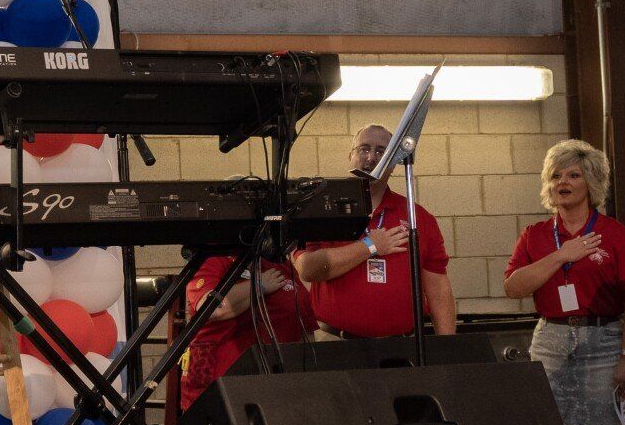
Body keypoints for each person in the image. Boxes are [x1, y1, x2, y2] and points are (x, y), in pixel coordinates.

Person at [503, 139, 625, 425]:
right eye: (555, 175)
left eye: (573, 174)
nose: (562, 182)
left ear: (592, 184)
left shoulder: (616, 235)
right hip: (551, 339)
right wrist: (560, 256)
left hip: (604, 339)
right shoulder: (535, 235)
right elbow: (513, 287)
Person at [291, 123, 457, 339]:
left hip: (400, 347)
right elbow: (308, 269)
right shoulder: (320, 209)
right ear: (350, 156)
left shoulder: (418, 218)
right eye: (364, 149)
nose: (371, 158)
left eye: (381, 151)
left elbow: (438, 289)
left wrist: (447, 347)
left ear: (394, 161)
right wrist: (370, 246)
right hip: (335, 343)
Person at [179, 253, 314, 410]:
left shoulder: (277, 262)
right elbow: (212, 309)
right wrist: (258, 285)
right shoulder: (211, 260)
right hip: (222, 388)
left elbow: (306, 327)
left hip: (279, 384)